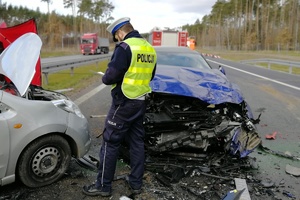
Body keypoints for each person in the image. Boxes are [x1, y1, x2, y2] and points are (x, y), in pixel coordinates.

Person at [82, 17, 157, 197]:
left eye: (116, 36)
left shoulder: (125, 47)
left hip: (123, 103)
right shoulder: (149, 48)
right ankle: (136, 183)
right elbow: (151, 75)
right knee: (137, 142)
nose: (117, 39)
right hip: (141, 101)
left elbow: (110, 77)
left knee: (110, 142)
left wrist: (106, 76)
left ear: (120, 32)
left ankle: (103, 186)